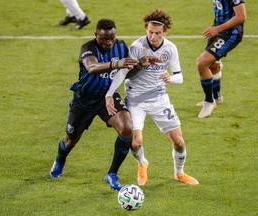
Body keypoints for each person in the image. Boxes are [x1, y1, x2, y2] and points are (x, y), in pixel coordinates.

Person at [105, 9, 199, 186]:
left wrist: (170, 78)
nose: (153, 36)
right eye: (150, 32)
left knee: (179, 142)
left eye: (157, 33)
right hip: (136, 100)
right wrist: (109, 93)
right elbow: (125, 73)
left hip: (158, 98)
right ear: (146, 29)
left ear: (164, 32)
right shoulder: (137, 47)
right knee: (135, 142)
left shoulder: (170, 48)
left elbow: (180, 76)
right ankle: (142, 163)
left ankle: (179, 173)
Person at [49, 19, 141, 191]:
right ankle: (60, 159)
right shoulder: (88, 48)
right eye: (103, 39)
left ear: (116, 36)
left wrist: (141, 64)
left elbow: (126, 73)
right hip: (84, 100)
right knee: (71, 140)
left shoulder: (121, 47)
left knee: (127, 127)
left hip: (108, 97)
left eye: (111, 39)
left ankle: (112, 173)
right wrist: (115, 64)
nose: (107, 42)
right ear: (96, 36)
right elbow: (91, 67)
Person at [196, 0, 246, 118]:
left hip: (230, 34)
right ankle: (217, 97)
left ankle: (209, 101)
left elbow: (242, 16)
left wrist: (218, 29)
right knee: (212, 62)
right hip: (218, 28)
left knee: (202, 63)